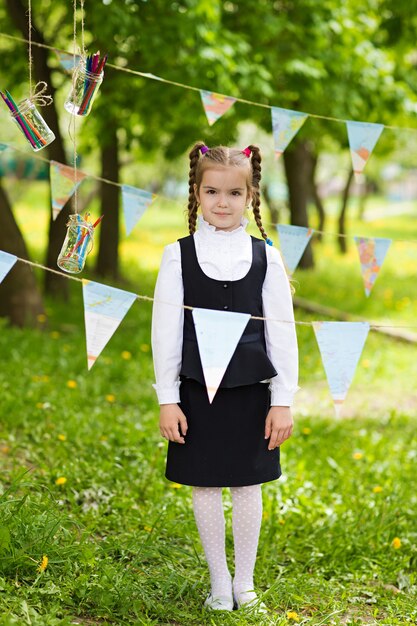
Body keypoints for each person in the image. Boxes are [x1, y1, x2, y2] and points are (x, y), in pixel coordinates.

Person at [151, 142, 299, 613]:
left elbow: (282, 333)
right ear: (196, 193)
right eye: (212, 191)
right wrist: (167, 398)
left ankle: (245, 581)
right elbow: (165, 334)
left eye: (234, 193)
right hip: (196, 391)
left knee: (247, 484)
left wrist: (283, 400)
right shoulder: (177, 256)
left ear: (251, 196)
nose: (222, 201)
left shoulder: (266, 257)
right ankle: (218, 581)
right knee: (206, 484)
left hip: (251, 393)